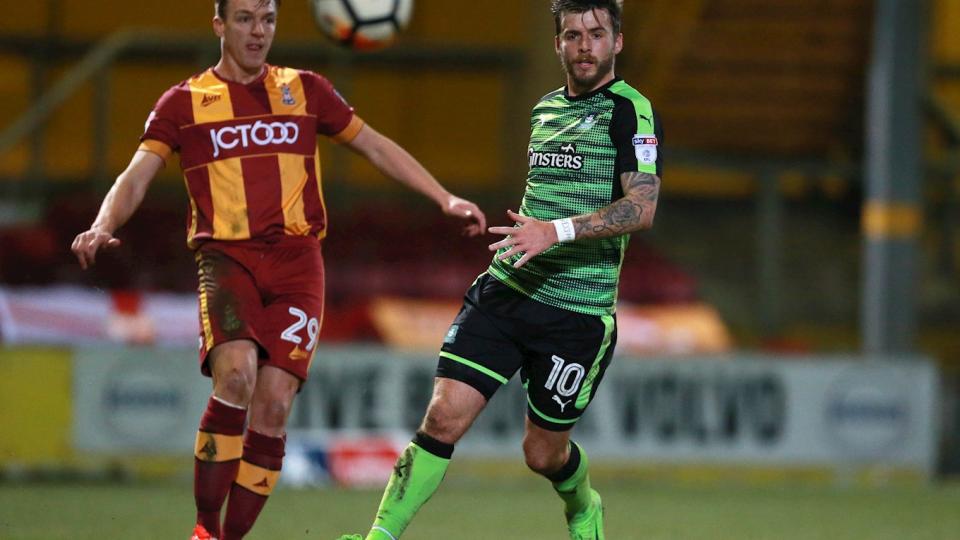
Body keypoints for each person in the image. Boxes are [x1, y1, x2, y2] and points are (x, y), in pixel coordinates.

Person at [70, 1, 486, 539]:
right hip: (227, 258)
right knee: (237, 376)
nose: (258, 31)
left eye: (267, 19)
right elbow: (136, 174)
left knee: (273, 406)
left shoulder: (305, 89)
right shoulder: (184, 102)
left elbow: (374, 145)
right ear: (219, 25)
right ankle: (204, 529)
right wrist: (102, 224)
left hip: (298, 264)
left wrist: (443, 196)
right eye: (244, 18)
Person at [338, 1, 662, 539]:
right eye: (573, 35)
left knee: (542, 453)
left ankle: (584, 506)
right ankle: (378, 537)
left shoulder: (631, 110)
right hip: (507, 291)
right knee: (442, 416)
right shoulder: (544, 110)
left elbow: (642, 208)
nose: (585, 45)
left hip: (576, 314)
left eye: (597, 33)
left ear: (617, 42)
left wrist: (554, 231)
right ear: (557, 44)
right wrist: (532, 233)